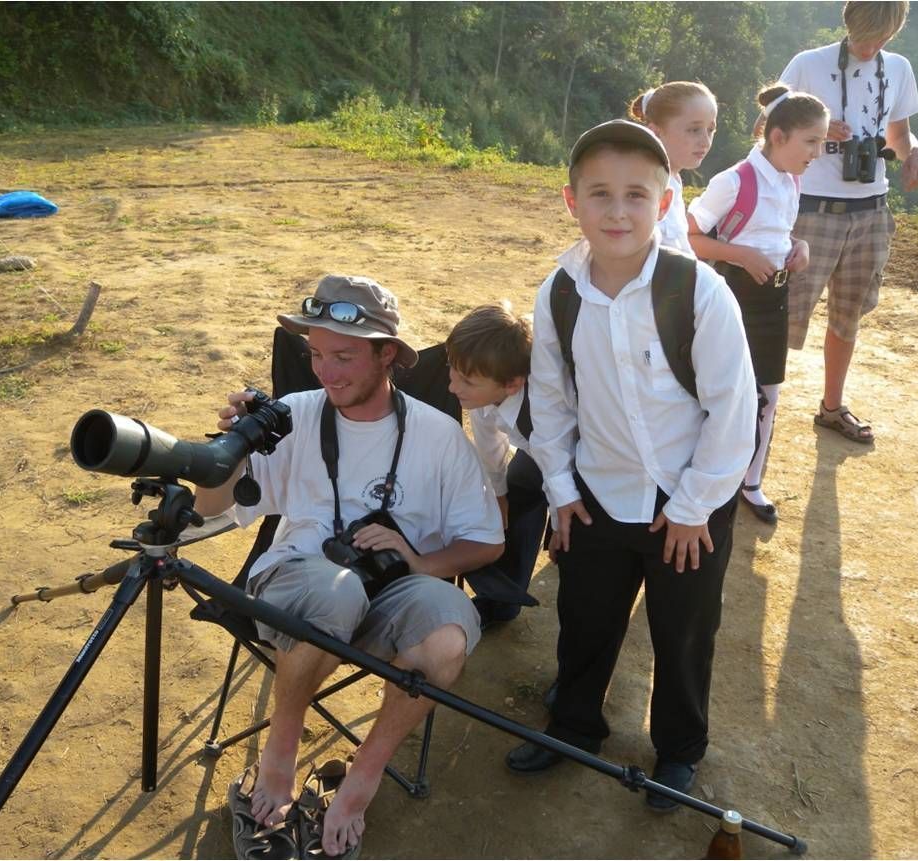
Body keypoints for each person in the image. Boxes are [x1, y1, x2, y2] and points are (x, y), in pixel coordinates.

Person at [193, 274, 503, 858]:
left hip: (391, 590)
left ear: (388, 354)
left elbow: (486, 544)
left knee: (448, 633)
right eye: (315, 354)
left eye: (343, 355)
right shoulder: (292, 415)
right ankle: (280, 753)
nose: (326, 372)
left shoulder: (438, 436)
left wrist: (418, 560)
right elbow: (212, 508)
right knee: (335, 592)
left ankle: (362, 778)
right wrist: (228, 453)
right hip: (296, 580)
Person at [504, 120, 757, 813]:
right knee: (584, 620)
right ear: (571, 201)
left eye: (636, 195)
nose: (618, 212)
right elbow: (551, 400)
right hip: (597, 496)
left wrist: (690, 505)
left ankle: (678, 752)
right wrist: (559, 487)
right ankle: (573, 725)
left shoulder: (699, 293)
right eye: (601, 194)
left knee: (682, 634)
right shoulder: (558, 291)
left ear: (667, 201)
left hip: (687, 505)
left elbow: (732, 414)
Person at [779, 0, 918, 444]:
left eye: (882, 39)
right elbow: (764, 129)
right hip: (811, 209)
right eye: (865, 38)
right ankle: (754, 404)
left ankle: (831, 407)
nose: (871, 47)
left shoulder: (898, 68)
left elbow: (897, 135)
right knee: (784, 315)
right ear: (847, 24)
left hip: (871, 212)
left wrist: (914, 152)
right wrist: (818, 131)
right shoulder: (808, 65)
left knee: (849, 316)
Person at [687, 84, 830, 523]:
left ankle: (750, 481)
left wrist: (799, 245)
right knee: (716, 390)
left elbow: (776, 234)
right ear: (778, 136)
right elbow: (689, 238)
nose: (817, 153)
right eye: (811, 141)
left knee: (768, 392)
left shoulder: (792, 180)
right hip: (730, 296)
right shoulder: (733, 182)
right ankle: (701, 477)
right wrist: (740, 255)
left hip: (774, 298)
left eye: (821, 143)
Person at [445, 302, 544, 627]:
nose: (452, 387)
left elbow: (571, 461)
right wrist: (498, 495)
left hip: (583, 456)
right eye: (452, 371)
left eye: (467, 382)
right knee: (515, 492)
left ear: (512, 384)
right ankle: (503, 600)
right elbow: (488, 441)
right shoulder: (483, 391)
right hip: (535, 451)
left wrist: (562, 515)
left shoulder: (548, 405)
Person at [628, 81, 719, 255]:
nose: (705, 141)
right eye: (694, 130)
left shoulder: (673, 180)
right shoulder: (642, 188)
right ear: (655, 133)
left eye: (710, 130)